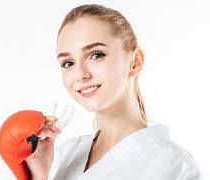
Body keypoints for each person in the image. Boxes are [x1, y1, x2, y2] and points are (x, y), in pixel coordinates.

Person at [25, 4, 204, 180]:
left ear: (135, 62)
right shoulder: (63, 155)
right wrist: (39, 176)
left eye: (96, 55)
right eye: (68, 63)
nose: (80, 74)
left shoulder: (174, 165)